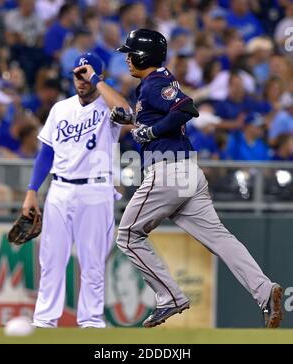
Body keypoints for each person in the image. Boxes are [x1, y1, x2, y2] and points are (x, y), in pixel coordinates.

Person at [111, 28, 283, 328]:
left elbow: (185, 108)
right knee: (220, 238)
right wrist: (136, 122)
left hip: (168, 172)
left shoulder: (155, 82)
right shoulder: (155, 83)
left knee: (127, 236)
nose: (127, 58)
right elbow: (161, 118)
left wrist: (149, 131)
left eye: (130, 52)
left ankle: (170, 297)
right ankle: (265, 291)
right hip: (187, 172)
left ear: (143, 55)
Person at [22, 52, 129, 328]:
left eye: (86, 73)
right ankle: (45, 320)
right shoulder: (61, 109)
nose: (80, 79)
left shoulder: (109, 107)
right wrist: (32, 190)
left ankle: (91, 321)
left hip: (96, 190)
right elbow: (46, 153)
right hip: (59, 189)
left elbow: (128, 113)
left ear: (96, 75)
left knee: (93, 262)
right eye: (77, 73)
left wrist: (97, 80)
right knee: (51, 261)